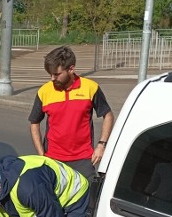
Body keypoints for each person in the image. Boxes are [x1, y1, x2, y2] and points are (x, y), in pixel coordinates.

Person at [29, 46, 114, 180]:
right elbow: (34, 123)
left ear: (71, 69)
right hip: (53, 159)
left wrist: (101, 145)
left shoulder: (90, 88)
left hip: (83, 160)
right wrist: (42, 155)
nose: (52, 78)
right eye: (50, 74)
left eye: (56, 74)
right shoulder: (44, 91)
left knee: (86, 199)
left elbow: (108, 115)